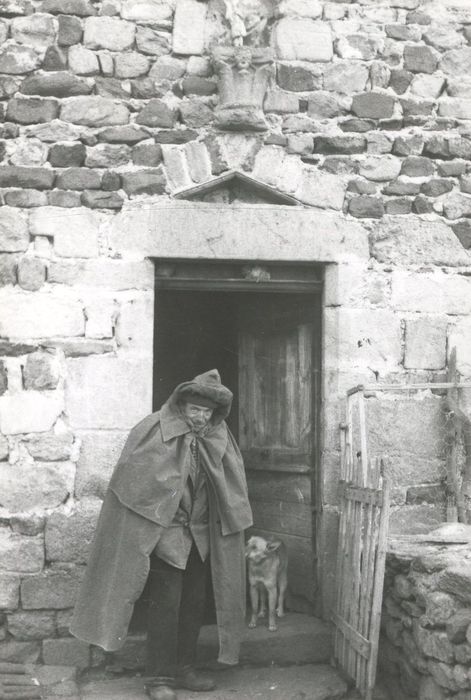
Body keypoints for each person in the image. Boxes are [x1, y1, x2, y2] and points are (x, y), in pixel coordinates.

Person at [70, 370, 253, 700]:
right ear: (182, 406)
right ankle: (158, 677)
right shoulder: (154, 429)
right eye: (195, 410)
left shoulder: (219, 436)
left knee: (194, 604)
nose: (200, 417)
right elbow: (136, 480)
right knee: (166, 605)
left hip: (201, 536)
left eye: (207, 411)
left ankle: (185, 669)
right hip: (165, 535)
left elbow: (230, 486)